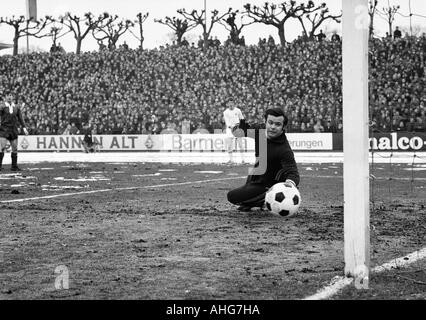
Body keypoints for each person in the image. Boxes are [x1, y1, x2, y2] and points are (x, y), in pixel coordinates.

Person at [227, 108, 300, 211]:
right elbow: (239, 133)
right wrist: (237, 128)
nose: (273, 127)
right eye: (270, 123)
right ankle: (257, 201)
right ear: (265, 122)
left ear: (283, 127)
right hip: (257, 177)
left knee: (232, 196)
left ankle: (267, 199)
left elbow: (293, 173)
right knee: (239, 194)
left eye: (278, 124)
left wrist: (289, 184)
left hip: (270, 185)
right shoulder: (259, 130)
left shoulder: (284, 149)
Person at [0, 93, 29, 171]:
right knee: (2, 148)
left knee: (15, 148)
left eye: (11, 96)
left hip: (13, 130)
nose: (9, 97)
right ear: (5, 97)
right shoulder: (2, 107)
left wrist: (24, 128)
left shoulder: (16, 107)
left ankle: (14, 166)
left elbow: (20, 118)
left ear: (13, 97)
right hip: (4, 129)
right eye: (8, 96)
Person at [222, 98, 245, 164]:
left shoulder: (238, 110)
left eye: (232, 103)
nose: (231, 104)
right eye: (229, 103)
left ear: (234, 103)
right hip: (230, 129)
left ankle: (243, 159)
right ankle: (231, 160)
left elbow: (242, 119)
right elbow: (227, 122)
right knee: (229, 145)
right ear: (228, 104)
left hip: (237, 128)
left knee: (240, 145)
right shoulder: (225, 112)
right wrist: (231, 127)